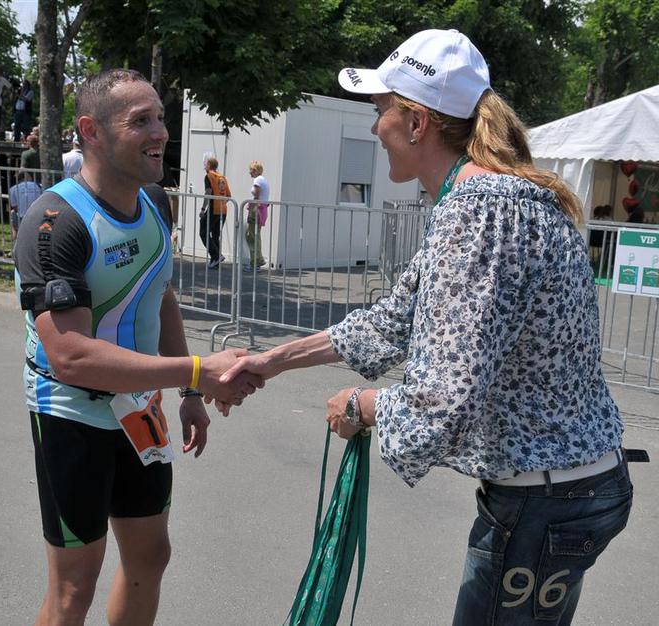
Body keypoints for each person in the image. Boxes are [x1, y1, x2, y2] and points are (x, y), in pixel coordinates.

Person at [221, 29, 634, 626]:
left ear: (417, 123)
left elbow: (445, 394)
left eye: (380, 110)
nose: (373, 127)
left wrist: (363, 407)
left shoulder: (480, 208)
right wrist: (273, 359)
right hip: (565, 490)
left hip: (548, 500)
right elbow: (394, 320)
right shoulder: (488, 198)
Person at [12, 68, 263, 626]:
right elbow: (71, 356)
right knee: (74, 588)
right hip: (73, 414)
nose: (161, 132)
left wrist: (191, 391)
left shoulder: (155, 202)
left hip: (139, 413)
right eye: (141, 121)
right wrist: (197, 369)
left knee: (151, 556)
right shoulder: (56, 222)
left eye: (161, 117)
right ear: (91, 132)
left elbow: (158, 292)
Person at [199, 156, 231, 268]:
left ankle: (216, 255)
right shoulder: (222, 177)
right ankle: (215, 261)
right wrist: (222, 204)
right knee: (215, 234)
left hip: (214, 209)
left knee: (203, 232)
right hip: (223, 210)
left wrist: (203, 209)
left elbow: (208, 192)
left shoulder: (209, 176)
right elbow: (228, 195)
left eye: (205, 164)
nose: (204, 166)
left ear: (209, 165)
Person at [244, 160, 269, 270]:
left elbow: (256, 196)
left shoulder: (258, 180)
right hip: (261, 210)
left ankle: (255, 262)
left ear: (255, 170)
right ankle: (258, 260)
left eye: (250, 170)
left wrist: (251, 212)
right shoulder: (263, 179)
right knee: (255, 236)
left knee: (251, 236)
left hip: (256, 210)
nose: (249, 172)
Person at [8, 170, 42, 239]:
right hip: (39, 215)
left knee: (12, 213)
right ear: (28, 178)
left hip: (23, 217)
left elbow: (15, 207)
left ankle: (16, 237)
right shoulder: (38, 186)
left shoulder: (13, 189)